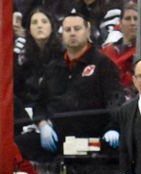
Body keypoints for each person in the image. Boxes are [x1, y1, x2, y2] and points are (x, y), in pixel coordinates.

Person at [17, 11, 124, 162]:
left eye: (77, 29)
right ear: (62, 34)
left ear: (88, 30)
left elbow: (116, 102)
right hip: (57, 138)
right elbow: (39, 104)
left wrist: (113, 128)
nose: (72, 33)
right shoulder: (53, 67)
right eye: (68, 30)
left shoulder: (103, 64)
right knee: (19, 144)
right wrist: (42, 125)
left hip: (93, 138)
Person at [14, 8, 63, 106]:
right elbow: (18, 88)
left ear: (52, 27)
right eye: (34, 23)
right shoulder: (23, 55)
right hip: (30, 107)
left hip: (57, 106)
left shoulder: (62, 53)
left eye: (44, 22)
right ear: (29, 29)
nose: (39, 26)